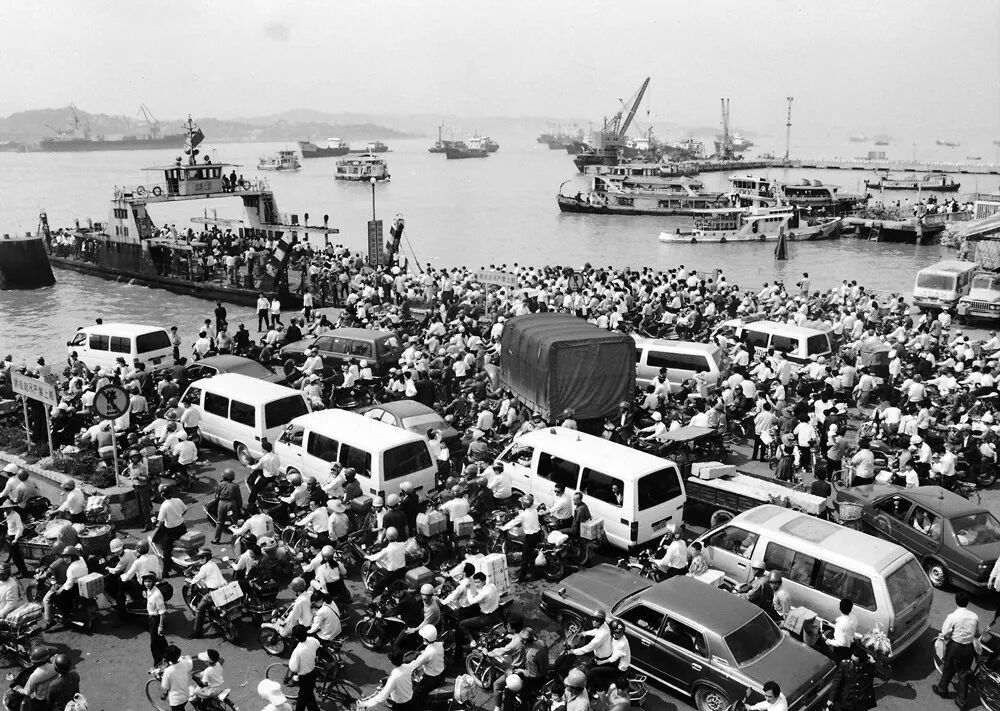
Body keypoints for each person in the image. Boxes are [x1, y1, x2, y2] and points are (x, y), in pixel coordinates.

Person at [934, 590, 981, 707]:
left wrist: (950, 633)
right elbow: (977, 633)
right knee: (963, 674)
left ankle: (942, 690)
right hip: (969, 649)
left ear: (956, 601)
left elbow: (944, 632)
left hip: (955, 647)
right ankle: (962, 701)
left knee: (948, 668)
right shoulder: (974, 616)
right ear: (967, 602)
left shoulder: (952, 616)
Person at [501, 495, 542, 582]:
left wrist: (503, 528)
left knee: (525, 558)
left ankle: (521, 578)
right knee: (532, 554)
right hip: (538, 534)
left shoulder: (523, 515)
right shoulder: (534, 511)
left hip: (530, 537)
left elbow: (513, 522)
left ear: (523, 504)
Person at [827, 642, 876, 711]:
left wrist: (874, 663)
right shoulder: (845, 665)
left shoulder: (869, 667)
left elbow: (885, 675)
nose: (852, 662)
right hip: (847, 702)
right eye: (852, 660)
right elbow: (837, 682)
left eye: (855, 662)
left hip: (861, 703)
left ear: (862, 662)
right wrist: (831, 699)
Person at [190, 548, 227, 638]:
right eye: (199, 557)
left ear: (207, 557)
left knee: (199, 610)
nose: (200, 559)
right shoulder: (213, 564)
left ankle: (197, 633)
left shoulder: (204, 567)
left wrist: (191, 582)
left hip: (214, 592)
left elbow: (197, 578)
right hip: (225, 588)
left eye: (202, 557)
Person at [154, 486, 188, 577]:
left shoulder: (164, 505)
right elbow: (185, 509)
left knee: (166, 550)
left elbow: (161, 521)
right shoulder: (178, 500)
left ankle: (165, 572)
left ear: (162, 495)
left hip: (170, 531)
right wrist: (179, 516)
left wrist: (156, 525)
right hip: (181, 527)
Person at [366, 527, 408, 598]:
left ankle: (374, 601)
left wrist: (367, 556)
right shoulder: (402, 545)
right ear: (397, 535)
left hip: (392, 574)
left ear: (387, 537)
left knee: (378, 587)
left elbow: (376, 557)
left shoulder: (387, 549)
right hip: (403, 571)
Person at [410, 624, 446, 705]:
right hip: (441, 674)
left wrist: (405, 667)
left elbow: (415, 664)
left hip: (432, 679)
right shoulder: (439, 644)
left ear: (425, 638)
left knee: (416, 694)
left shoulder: (428, 653)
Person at [288, 624, 321, 711]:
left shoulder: (297, 651)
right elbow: (318, 644)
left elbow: (293, 668)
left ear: (296, 638)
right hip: (313, 672)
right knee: (308, 696)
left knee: (303, 698)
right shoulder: (312, 640)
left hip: (304, 678)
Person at [211, 469, 243, 544]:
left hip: (222, 504)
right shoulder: (235, 486)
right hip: (231, 505)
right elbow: (238, 498)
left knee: (219, 522)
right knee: (234, 522)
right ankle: (238, 538)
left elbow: (216, 497)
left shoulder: (220, 484)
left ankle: (216, 540)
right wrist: (240, 507)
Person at [144, 572, 168, 669]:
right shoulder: (149, 590)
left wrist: (160, 626)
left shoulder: (157, 594)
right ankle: (169, 656)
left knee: (154, 644)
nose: (147, 583)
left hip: (156, 619)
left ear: (153, 582)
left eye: (149, 581)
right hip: (151, 618)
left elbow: (162, 612)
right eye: (145, 581)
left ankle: (158, 663)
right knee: (161, 640)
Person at [160, 644, 194, 711]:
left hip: (176, 701)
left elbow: (165, 687)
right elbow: (190, 664)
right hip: (186, 695)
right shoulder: (184, 663)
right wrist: (188, 657)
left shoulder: (168, 671)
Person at [828, 598, 859, 662]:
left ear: (839, 608)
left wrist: (829, 641)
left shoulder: (839, 625)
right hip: (851, 642)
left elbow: (841, 643)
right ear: (851, 609)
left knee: (836, 662)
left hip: (842, 649)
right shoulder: (854, 618)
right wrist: (837, 620)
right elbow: (845, 618)